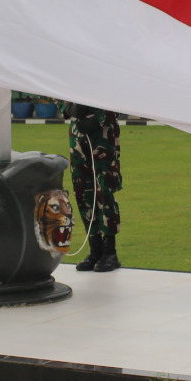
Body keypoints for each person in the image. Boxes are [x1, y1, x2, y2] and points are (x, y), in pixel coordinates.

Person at [63, 103, 123, 272]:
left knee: (105, 189)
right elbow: (57, 89)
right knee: (82, 190)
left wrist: (99, 119)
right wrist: (68, 109)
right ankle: (94, 248)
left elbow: (120, 97)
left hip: (103, 133)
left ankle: (110, 251)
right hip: (78, 133)